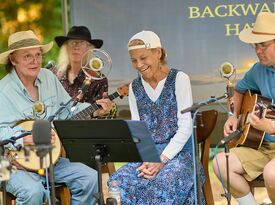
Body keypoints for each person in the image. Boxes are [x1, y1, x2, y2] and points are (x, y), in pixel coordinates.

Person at [0, 30, 113, 204]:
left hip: (49, 158)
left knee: (90, 178)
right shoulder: (3, 90)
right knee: (33, 191)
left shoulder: (48, 77)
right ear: (13, 59)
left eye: (38, 55)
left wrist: (96, 109)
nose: (35, 61)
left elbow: (69, 109)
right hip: (8, 163)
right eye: (27, 56)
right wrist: (23, 140)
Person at [107, 30, 205, 204]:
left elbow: (185, 126)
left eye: (143, 58)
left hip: (180, 156)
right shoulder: (135, 87)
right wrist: (148, 161)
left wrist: (161, 160)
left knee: (162, 183)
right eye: (134, 60)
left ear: (158, 53)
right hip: (149, 156)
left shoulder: (179, 79)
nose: (138, 65)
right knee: (116, 181)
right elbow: (138, 131)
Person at [213, 12, 275, 205]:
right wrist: (233, 116)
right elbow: (239, 91)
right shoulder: (258, 69)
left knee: (272, 173)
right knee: (220, 163)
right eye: (255, 45)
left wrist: (270, 127)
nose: (257, 50)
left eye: (263, 45)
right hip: (263, 147)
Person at [53, 26, 116, 117]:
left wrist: (100, 112)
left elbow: (100, 117)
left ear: (89, 48)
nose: (76, 47)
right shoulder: (54, 74)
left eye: (82, 43)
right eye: (72, 43)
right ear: (66, 48)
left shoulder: (98, 79)